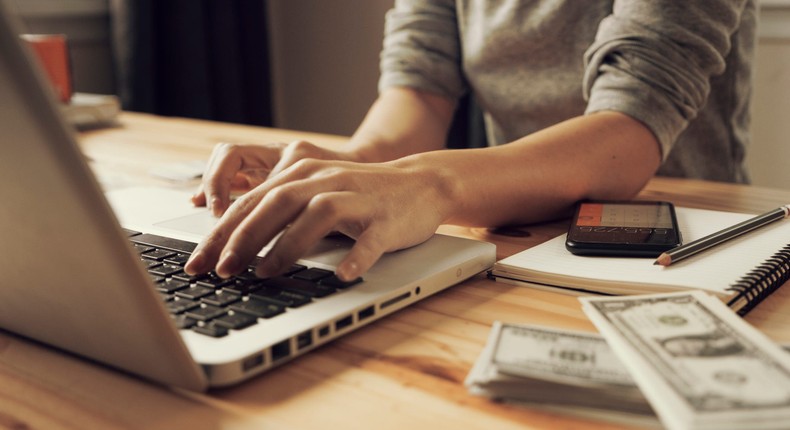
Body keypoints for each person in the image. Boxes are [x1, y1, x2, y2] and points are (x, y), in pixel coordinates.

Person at [184, 1, 756, 282]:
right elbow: (418, 91)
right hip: (516, 237)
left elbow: (631, 126)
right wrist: (351, 165)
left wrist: (430, 184)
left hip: (688, 251)